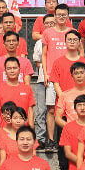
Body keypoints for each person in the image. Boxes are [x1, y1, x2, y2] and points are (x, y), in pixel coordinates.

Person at [41, 4, 73, 148]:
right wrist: (45, 73)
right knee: (51, 109)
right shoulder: (47, 33)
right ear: (54, 16)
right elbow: (44, 54)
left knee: (69, 108)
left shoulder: (72, 32)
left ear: (68, 16)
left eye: (64, 15)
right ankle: (50, 139)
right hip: (52, 76)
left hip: (69, 77)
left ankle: (69, 137)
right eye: (59, 14)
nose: (61, 17)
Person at [0, 57, 35, 142]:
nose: (12, 71)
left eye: (14, 68)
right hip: (4, 133)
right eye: (9, 68)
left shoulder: (27, 89)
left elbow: (30, 112)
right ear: (5, 71)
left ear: (19, 70)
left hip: (23, 134)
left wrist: (32, 131)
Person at [48, 29, 85, 96]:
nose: (72, 42)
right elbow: (56, 84)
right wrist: (64, 98)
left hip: (82, 100)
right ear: (65, 42)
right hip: (63, 100)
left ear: (79, 42)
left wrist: (81, 99)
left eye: (75, 40)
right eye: (69, 39)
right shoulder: (57, 62)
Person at [32, 14, 55, 147]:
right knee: (41, 110)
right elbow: (38, 62)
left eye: (52, 23)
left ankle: (54, 139)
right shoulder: (39, 43)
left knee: (55, 110)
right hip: (42, 79)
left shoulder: (61, 40)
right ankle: (41, 138)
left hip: (57, 79)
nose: (50, 25)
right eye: (47, 23)